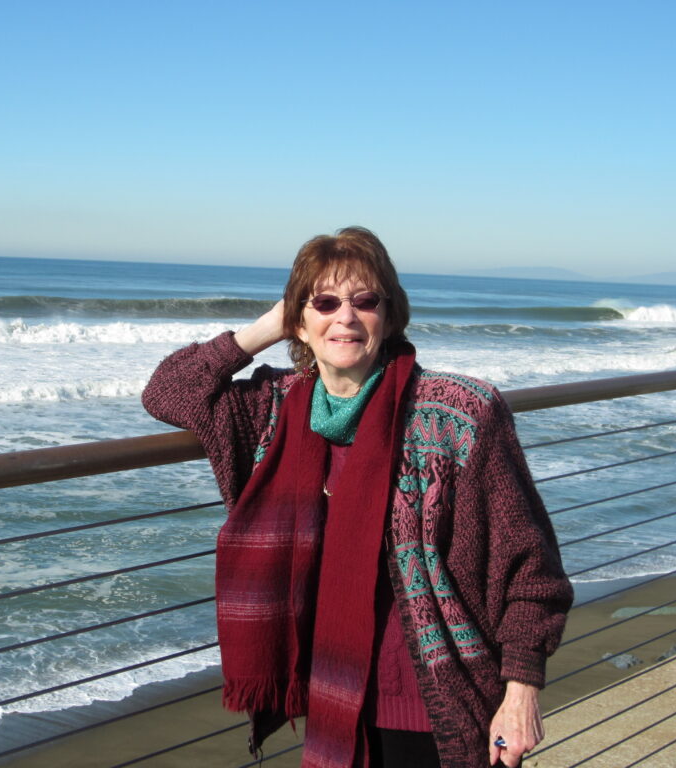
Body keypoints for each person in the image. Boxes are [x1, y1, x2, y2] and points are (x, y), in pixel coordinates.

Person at [142, 227, 573, 768]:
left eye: (364, 301)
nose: (345, 317)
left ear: (388, 316)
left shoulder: (457, 413)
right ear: (299, 318)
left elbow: (530, 567)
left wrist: (522, 692)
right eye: (324, 302)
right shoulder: (273, 409)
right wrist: (272, 325)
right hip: (334, 693)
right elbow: (168, 390)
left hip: (432, 702)